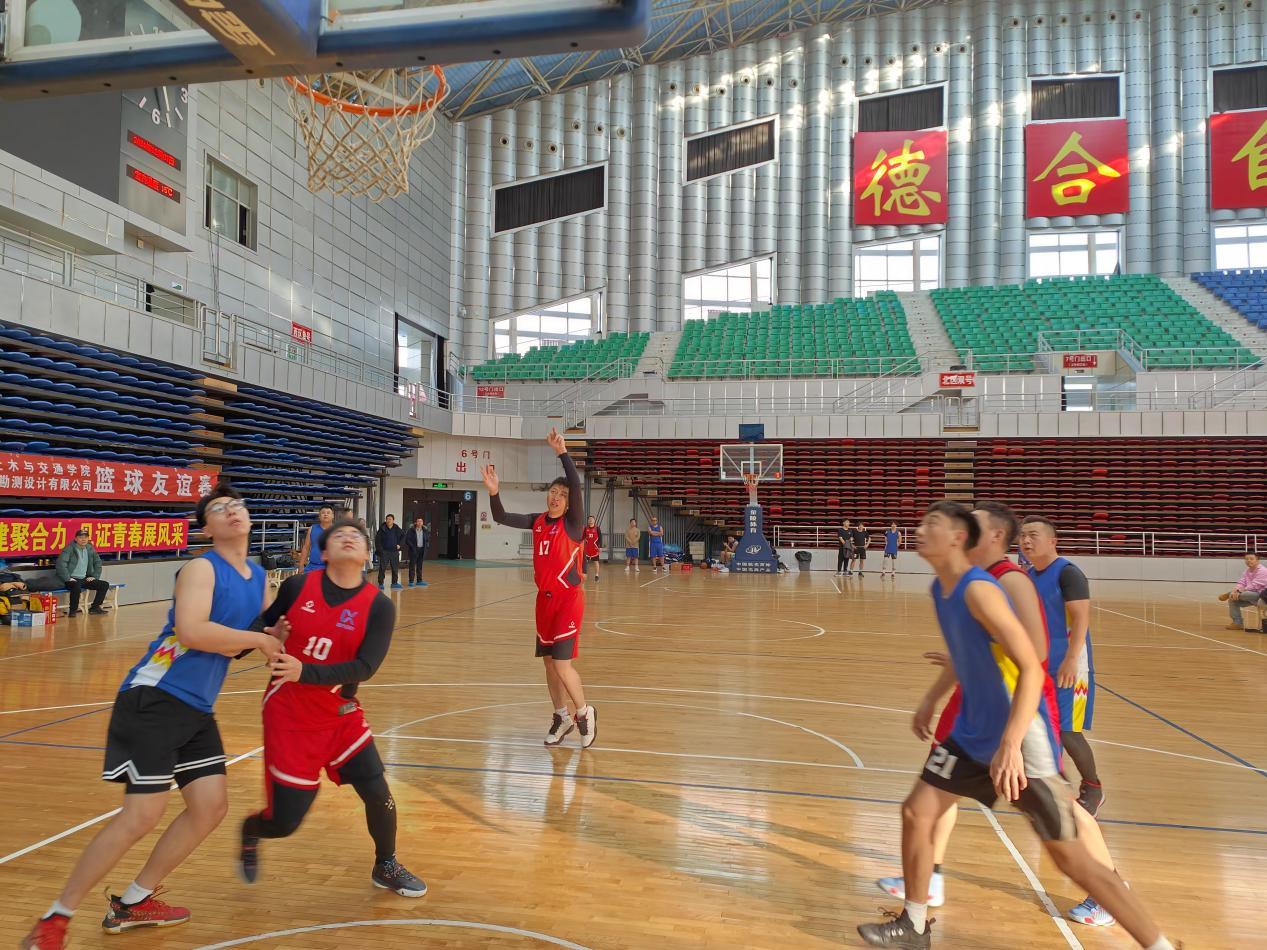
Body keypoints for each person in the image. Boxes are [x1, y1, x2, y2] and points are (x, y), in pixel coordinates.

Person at [856, 502, 1177, 950]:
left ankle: (1156, 942)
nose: (920, 529)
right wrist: (934, 695)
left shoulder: (998, 584)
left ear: (970, 537)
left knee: (1070, 858)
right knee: (917, 811)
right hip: (974, 728)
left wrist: (1010, 743)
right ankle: (914, 924)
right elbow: (974, 650)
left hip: (1020, 729)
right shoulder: (946, 587)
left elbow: (1032, 660)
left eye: (936, 523)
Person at [20, 484, 287, 950]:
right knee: (141, 815)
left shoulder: (260, 577)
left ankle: (134, 901)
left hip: (196, 707)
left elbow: (245, 641)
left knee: (209, 808)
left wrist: (277, 636)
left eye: (237, 504)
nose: (232, 511)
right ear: (207, 528)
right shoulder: (201, 568)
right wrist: (263, 640)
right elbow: (193, 630)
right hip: (156, 696)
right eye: (219, 508)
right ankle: (54, 920)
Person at [238, 517, 427, 898]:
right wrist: (251, 640)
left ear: (367, 554)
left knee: (378, 790)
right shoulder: (297, 587)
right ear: (323, 553)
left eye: (357, 535)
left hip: (340, 713)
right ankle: (252, 830)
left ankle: (386, 863)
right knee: (285, 822)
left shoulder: (379, 606)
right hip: (289, 714)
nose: (348, 537)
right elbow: (260, 628)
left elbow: (365, 667)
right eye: (339, 535)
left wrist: (304, 670)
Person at [483, 429, 597, 748]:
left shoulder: (572, 523)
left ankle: (584, 713)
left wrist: (562, 452)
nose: (556, 497)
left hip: (568, 600)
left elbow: (575, 484)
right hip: (544, 603)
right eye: (553, 492)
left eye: (562, 494)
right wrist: (494, 492)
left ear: (569, 502)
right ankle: (561, 716)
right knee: (548, 663)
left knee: (561, 663)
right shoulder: (537, 521)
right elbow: (501, 516)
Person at [1019, 516, 1104, 817]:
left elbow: (1081, 618)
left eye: (1033, 535)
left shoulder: (1068, 573)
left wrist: (1070, 659)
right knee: (1038, 728)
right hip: (1039, 666)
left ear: (1053, 541)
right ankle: (1052, 788)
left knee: (1068, 732)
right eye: (1022, 536)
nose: (1026, 541)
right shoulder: (1028, 576)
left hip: (1071, 666)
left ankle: (1092, 787)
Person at [55, 528, 110, 616]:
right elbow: (60, 564)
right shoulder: (70, 548)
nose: (83, 539)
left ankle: (95, 607)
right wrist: (68, 578)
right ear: (76, 539)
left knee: (104, 585)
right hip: (71, 578)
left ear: (88, 539)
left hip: (84, 578)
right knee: (76, 587)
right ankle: (73, 611)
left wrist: (94, 576)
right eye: (80, 537)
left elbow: (98, 562)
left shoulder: (89, 548)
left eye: (85, 537)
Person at [1218, 552, 1267, 630]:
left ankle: (1229, 593)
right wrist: (1236, 590)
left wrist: (1239, 591)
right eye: (1246, 559)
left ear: (1257, 560)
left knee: (1241, 594)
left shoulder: (1263, 570)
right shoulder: (1247, 571)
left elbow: (1255, 585)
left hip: (1262, 596)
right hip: (1251, 596)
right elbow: (1241, 583)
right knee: (1232, 599)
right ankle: (1237, 623)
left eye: (1251, 559)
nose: (1248, 560)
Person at [299, 505, 336, 574]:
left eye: (328, 513)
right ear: (319, 516)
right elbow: (306, 548)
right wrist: (301, 565)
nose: (325, 514)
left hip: (331, 567)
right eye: (323, 512)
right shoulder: (312, 528)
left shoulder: (337, 530)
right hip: (312, 566)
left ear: (333, 516)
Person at [375, 514, 405, 590]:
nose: (388, 520)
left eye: (390, 519)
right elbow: (377, 540)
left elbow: (403, 536)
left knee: (395, 568)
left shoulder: (396, 528)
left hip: (394, 552)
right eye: (387, 519)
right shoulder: (382, 528)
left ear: (393, 520)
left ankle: (394, 583)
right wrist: (380, 550)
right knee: (382, 568)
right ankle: (381, 583)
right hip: (384, 552)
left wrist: (400, 545)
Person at [404, 516, 430, 588]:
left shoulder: (425, 530)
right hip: (413, 550)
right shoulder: (411, 530)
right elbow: (407, 540)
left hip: (422, 550)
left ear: (422, 523)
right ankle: (411, 581)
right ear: (416, 522)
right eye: (418, 521)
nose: (419, 523)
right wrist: (412, 547)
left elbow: (427, 539)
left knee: (420, 566)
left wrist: (427, 546)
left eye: (421, 521)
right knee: (412, 566)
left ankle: (419, 581)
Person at [582, 516, 602, 582]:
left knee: (596, 562)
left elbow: (600, 538)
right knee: (585, 562)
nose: (590, 520)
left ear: (594, 520)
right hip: (587, 548)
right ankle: (583, 575)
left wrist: (600, 547)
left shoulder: (597, 528)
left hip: (595, 548)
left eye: (592, 519)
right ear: (588, 521)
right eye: (589, 519)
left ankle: (597, 575)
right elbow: (582, 538)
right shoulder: (585, 528)